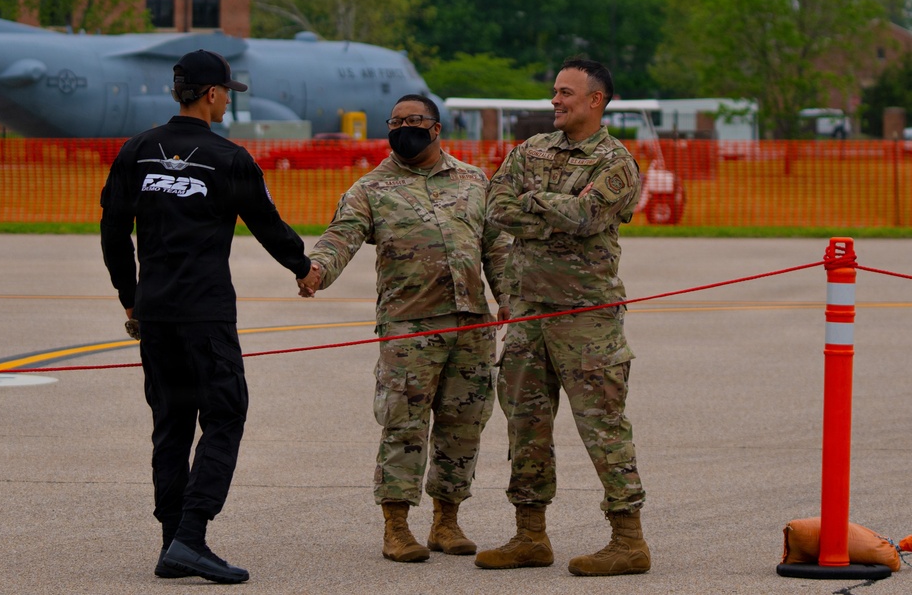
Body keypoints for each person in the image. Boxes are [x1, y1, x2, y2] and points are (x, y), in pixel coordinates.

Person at [100, 49, 319, 584]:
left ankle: (171, 541)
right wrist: (304, 267)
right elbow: (267, 223)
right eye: (226, 94)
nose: (226, 103)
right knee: (225, 414)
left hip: (156, 314)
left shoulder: (136, 151)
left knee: (171, 424)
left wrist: (130, 296)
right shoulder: (228, 158)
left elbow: (113, 231)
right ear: (213, 94)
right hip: (205, 315)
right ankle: (192, 536)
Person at [298, 94, 510, 563]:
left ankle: (446, 522)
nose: (402, 129)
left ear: (436, 128)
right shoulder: (371, 188)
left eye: (412, 120)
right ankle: (396, 528)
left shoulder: (474, 180)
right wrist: (316, 271)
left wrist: (511, 297)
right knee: (403, 426)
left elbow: (496, 246)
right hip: (409, 327)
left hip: (471, 326)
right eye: (394, 123)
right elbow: (340, 236)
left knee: (464, 426)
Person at [475, 58, 650, 576]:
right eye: (555, 91)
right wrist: (552, 208)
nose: (555, 100)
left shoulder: (616, 163)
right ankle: (530, 536)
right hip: (529, 313)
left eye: (566, 92)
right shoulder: (531, 149)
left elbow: (586, 216)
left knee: (603, 428)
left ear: (595, 100)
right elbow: (495, 206)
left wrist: (534, 204)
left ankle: (629, 541)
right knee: (525, 427)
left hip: (586, 317)